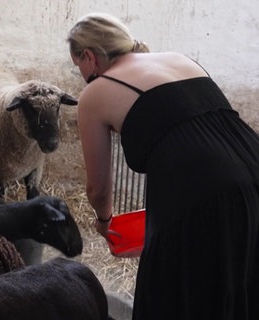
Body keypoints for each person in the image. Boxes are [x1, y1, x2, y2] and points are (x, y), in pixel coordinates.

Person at [67, 12, 259, 320]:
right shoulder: (179, 59)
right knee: (243, 277)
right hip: (252, 166)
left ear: (88, 56)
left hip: (204, 193)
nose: (81, 74)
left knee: (174, 291)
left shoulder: (95, 93)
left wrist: (105, 222)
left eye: (78, 65)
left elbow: (98, 188)